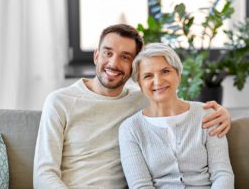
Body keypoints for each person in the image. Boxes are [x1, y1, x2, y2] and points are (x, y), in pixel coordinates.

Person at [33, 24, 232, 189]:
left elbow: (180, 109)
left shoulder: (143, 98)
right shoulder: (60, 101)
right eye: (107, 53)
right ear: (96, 56)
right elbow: (43, 174)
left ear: (133, 68)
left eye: (125, 57)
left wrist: (222, 113)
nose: (113, 63)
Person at [119, 43, 234, 189]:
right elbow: (140, 186)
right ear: (140, 84)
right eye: (148, 76)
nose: (158, 81)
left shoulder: (208, 115)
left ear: (178, 75)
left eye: (165, 71)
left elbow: (222, 174)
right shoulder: (130, 129)